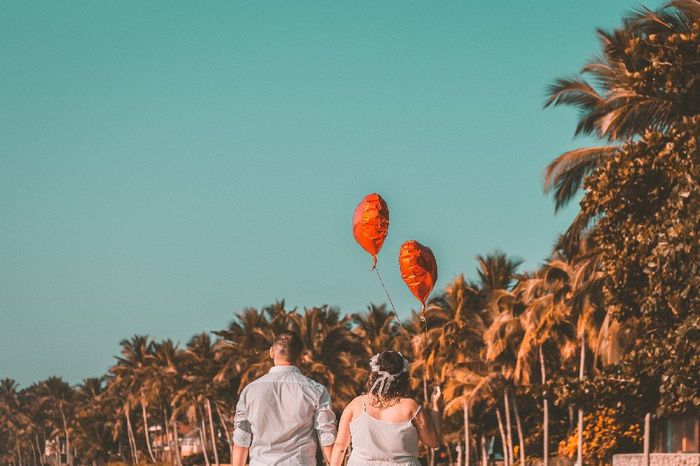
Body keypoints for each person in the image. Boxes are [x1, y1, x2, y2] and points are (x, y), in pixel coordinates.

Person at [231, 330, 337, 466]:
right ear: (300, 358)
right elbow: (326, 437)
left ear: (271, 352)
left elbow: (242, 439)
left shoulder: (250, 391)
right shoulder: (316, 391)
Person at [330, 351, 443, 466]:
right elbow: (434, 442)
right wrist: (436, 405)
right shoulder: (411, 407)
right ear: (404, 378)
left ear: (373, 375)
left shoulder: (356, 404)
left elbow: (340, 447)